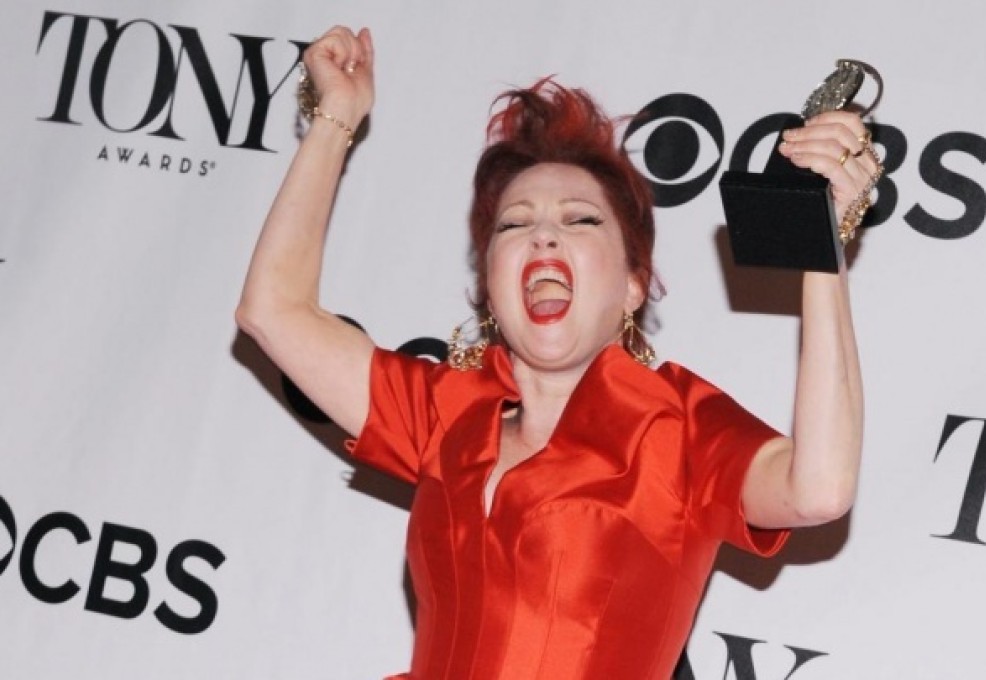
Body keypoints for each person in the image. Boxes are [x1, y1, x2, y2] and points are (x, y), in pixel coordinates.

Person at [237, 25, 879, 680]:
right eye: (514, 224)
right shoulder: (444, 414)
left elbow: (818, 487)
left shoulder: (680, 429)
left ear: (633, 285)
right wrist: (335, 118)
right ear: (490, 285)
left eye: (579, 219)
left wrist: (818, 244)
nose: (544, 236)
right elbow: (273, 312)